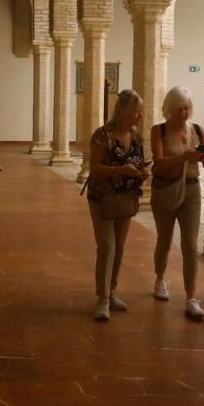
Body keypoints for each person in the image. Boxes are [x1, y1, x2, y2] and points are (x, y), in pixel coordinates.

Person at [148, 87, 204, 321]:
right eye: (179, 109)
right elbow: (158, 164)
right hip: (166, 189)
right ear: (169, 109)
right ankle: (160, 278)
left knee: (190, 244)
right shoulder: (159, 131)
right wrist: (183, 158)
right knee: (165, 239)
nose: (184, 113)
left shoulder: (197, 130)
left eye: (187, 108)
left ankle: (191, 298)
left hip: (191, 191)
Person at [85, 88, 150, 321]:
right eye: (137, 111)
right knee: (107, 246)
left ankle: (111, 292)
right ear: (122, 110)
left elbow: (138, 163)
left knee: (119, 248)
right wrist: (121, 170)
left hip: (126, 198)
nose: (140, 115)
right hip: (102, 198)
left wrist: (141, 173)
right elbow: (94, 168)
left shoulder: (136, 137)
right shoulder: (103, 135)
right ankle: (102, 299)